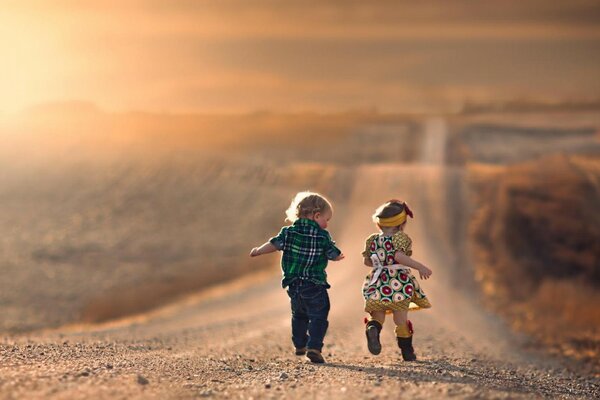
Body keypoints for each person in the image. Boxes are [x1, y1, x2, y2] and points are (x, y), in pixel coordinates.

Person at [250, 191, 344, 363]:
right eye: (326, 219)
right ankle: (314, 346)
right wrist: (337, 256)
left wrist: (258, 251)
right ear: (316, 215)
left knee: (299, 314)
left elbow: (273, 244)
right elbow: (331, 253)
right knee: (319, 315)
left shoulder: (288, 232)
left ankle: (300, 344)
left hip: (293, 285)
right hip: (315, 284)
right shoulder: (322, 236)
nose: (327, 224)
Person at [361, 199, 432, 361]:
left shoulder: (372, 240)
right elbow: (399, 256)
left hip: (378, 282)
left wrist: (380, 262)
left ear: (379, 224)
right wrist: (419, 266)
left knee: (377, 316)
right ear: (401, 224)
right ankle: (407, 352)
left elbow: (367, 262)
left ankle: (372, 329)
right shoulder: (400, 238)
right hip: (398, 283)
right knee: (400, 320)